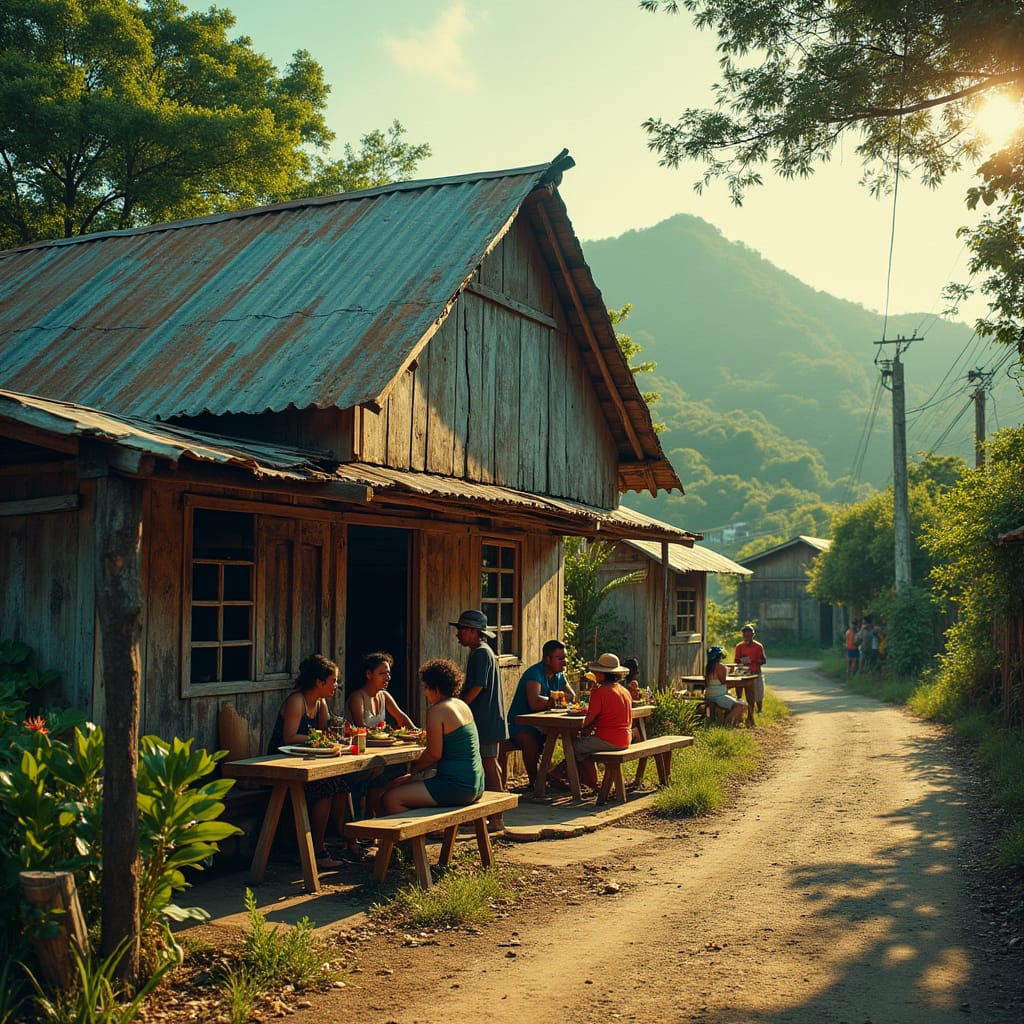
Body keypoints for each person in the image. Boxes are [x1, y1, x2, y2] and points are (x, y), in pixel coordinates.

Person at [266, 654, 363, 867]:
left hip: (307, 761)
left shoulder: (320, 704)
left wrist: (340, 737)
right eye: (334, 680)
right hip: (283, 764)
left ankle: (348, 841)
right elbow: (289, 737)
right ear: (319, 682)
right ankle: (317, 852)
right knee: (326, 786)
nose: (336, 686)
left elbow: (325, 733)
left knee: (341, 785)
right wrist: (323, 739)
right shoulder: (296, 701)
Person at [382, 659, 485, 813]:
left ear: (435, 689)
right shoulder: (462, 705)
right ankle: (427, 832)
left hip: (457, 786)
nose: (425, 692)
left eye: (426, 687)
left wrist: (413, 772)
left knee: (391, 798)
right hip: (477, 782)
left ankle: (418, 836)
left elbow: (433, 754)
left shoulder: (437, 711)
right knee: (405, 787)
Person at [450, 609, 509, 831]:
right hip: (488, 718)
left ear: (475, 632)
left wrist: (460, 706)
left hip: (484, 719)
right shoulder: (482, 652)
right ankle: (494, 813)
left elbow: (477, 686)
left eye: (462, 630)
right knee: (491, 763)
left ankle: (497, 817)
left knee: (489, 763)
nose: (458, 635)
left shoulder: (481, 654)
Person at [550, 653, 632, 791]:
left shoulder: (599, 692)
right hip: (625, 738)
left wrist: (579, 724)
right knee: (584, 748)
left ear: (602, 674)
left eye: (597, 671)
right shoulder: (624, 691)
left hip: (608, 739)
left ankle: (560, 775)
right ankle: (581, 779)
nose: (594, 673)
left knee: (573, 746)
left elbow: (588, 721)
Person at [506, 639, 576, 787]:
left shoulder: (559, 675)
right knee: (529, 739)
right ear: (548, 659)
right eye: (560, 659)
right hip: (520, 724)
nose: (565, 663)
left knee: (576, 735)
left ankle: (565, 775)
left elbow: (572, 695)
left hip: (543, 723)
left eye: (565, 658)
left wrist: (555, 698)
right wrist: (556, 698)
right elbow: (535, 702)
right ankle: (535, 781)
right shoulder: (534, 673)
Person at [347, 651, 418, 731]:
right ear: (369, 674)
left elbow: (401, 717)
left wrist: (416, 731)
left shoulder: (384, 695)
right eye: (382, 673)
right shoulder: (357, 697)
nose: (387, 678)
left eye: (388, 673)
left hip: (380, 743)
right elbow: (360, 727)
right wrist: (383, 733)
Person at [703, 646, 746, 727]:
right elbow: (723, 682)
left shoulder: (708, 666)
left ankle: (730, 723)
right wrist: (735, 683)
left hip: (709, 695)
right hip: (718, 696)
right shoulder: (720, 666)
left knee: (738, 702)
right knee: (741, 705)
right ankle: (726, 724)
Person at [734, 624, 767, 718]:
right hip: (743, 672)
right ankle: (740, 708)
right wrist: (742, 660)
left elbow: (764, 660)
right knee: (740, 690)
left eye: (749, 636)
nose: (747, 638)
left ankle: (759, 711)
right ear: (743, 636)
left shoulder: (758, 646)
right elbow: (736, 660)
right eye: (745, 636)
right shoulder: (739, 646)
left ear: (753, 635)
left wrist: (755, 661)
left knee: (758, 693)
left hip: (755, 672)